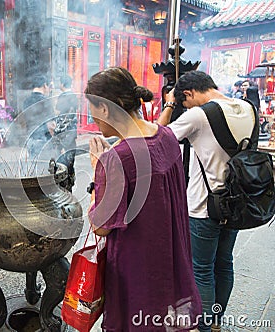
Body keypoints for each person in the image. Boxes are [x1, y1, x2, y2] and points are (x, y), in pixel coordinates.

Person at [85, 67, 201, 331]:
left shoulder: (118, 159)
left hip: (136, 267)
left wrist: (97, 173)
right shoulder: (167, 136)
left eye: (92, 108)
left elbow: (100, 226)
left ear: (104, 108)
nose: (92, 118)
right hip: (171, 260)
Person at [157, 71, 256, 332]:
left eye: (184, 103)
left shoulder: (199, 115)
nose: (185, 108)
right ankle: (215, 322)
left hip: (204, 207)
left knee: (201, 270)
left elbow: (157, 138)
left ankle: (203, 326)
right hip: (237, 204)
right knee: (224, 263)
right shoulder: (249, 108)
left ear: (188, 94)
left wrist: (169, 104)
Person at [21, 75, 56, 158]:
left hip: (30, 139)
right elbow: (51, 125)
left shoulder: (26, 101)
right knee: (43, 167)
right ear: (44, 85)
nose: (49, 89)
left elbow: (24, 121)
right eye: (49, 86)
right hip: (43, 140)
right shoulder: (46, 101)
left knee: (32, 167)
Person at [55, 75, 79, 191]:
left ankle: (63, 191)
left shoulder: (63, 97)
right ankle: (70, 188)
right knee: (70, 164)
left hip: (64, 136)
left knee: (62, 165)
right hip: (72, 136)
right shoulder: (74, 96)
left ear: (62, 84)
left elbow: (60, 117)